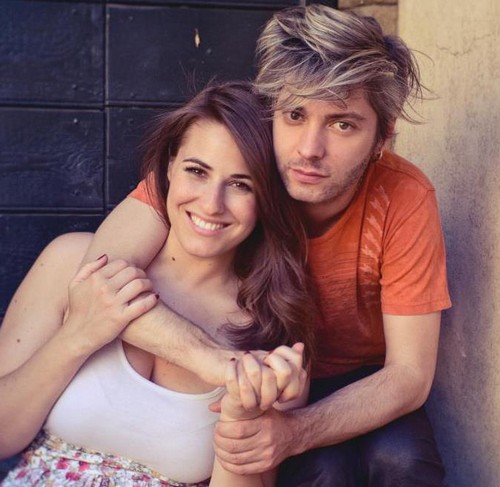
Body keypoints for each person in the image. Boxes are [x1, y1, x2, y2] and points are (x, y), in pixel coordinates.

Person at [58, 5, 452, 486]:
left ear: (382, 138)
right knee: (322, 472)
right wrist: (234, 369)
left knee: (401, 461)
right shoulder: (223, 171)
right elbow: (99, 284)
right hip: (251, 369)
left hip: (360, 379)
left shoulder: (404, 196)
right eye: (294, 114)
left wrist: (296, 432)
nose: (309, 149)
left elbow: (409, 376)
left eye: (342, 125)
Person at [0, 81, 316, 487]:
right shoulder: (70, 262)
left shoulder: (272, 336)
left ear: (267, 198)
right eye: (197, 171)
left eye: (241, 184)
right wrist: (77, 335)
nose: (211, 204)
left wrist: (241, 417)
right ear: (168, 168)